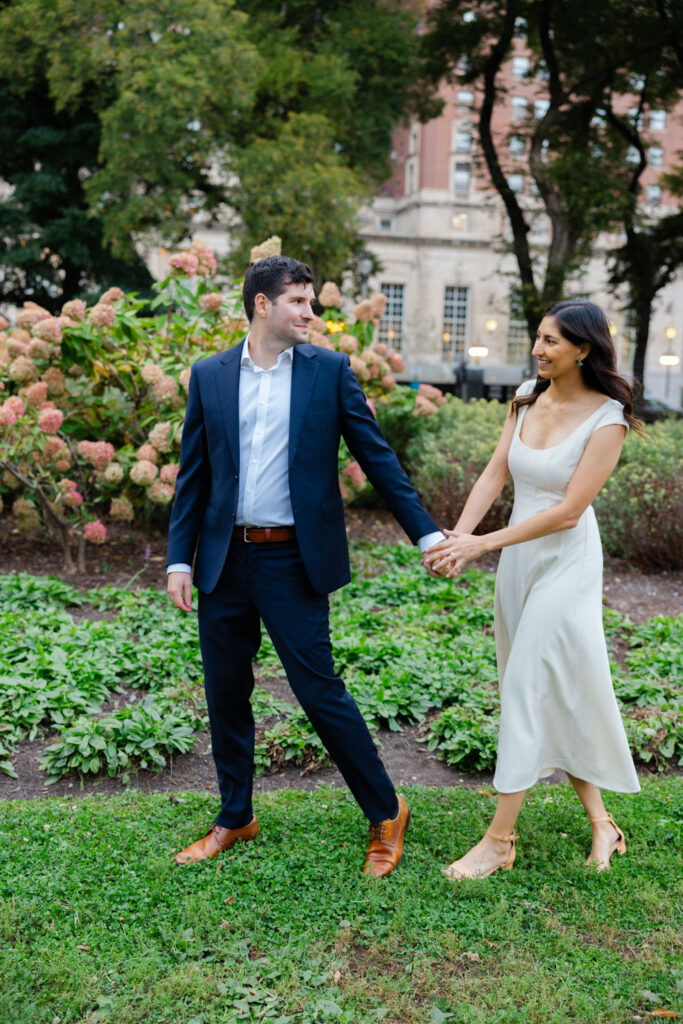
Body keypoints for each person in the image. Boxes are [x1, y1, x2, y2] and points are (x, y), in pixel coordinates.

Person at [166, 255, 443, 876]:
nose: (311, 315)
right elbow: (194, 475)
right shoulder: (209, 376)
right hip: (221, 561)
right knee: (225, 694)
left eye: (311, 303)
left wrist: (426, 534)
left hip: (294, 559)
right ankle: (235, 815)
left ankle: (386, 810)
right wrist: (178, 559)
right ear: (262, 304)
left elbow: (378, 459)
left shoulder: (330, 372)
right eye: (299, 302)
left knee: (319, 691)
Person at [423, 299, 641, 878]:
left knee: (526, 683)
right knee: (552, 690)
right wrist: (457, 539)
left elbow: (570, 512)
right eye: (538, 338)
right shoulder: (527, 394)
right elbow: (497, 471)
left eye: (551, 341)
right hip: (518, 560)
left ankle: (499, 841)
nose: (538, 349)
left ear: (583, 350)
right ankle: (602, 823)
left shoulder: (609, 417)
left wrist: (481, 545)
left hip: (566, 564)